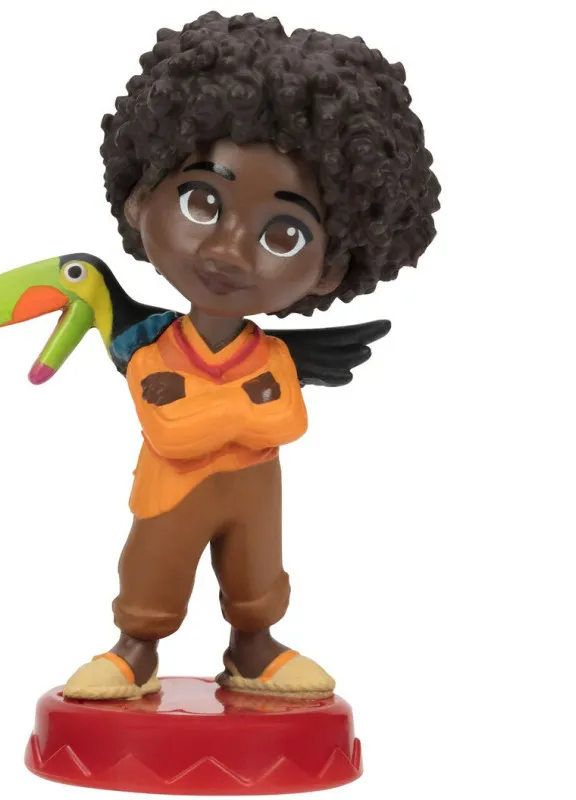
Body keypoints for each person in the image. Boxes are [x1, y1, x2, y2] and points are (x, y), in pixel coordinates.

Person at [62, 10, 440, 700]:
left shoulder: (261, 355)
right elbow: (173, 433)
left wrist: (218, 413)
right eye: (202, 202)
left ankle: (254, 647)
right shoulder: (153, 348)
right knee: (154, 569)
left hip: (255, 499)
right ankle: (135, 651)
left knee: (257, 575)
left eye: (283, 235)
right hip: (171, 496)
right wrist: (242, 411)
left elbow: (284, 422)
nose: (229, 251)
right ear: (142, 198)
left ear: (330, 269)